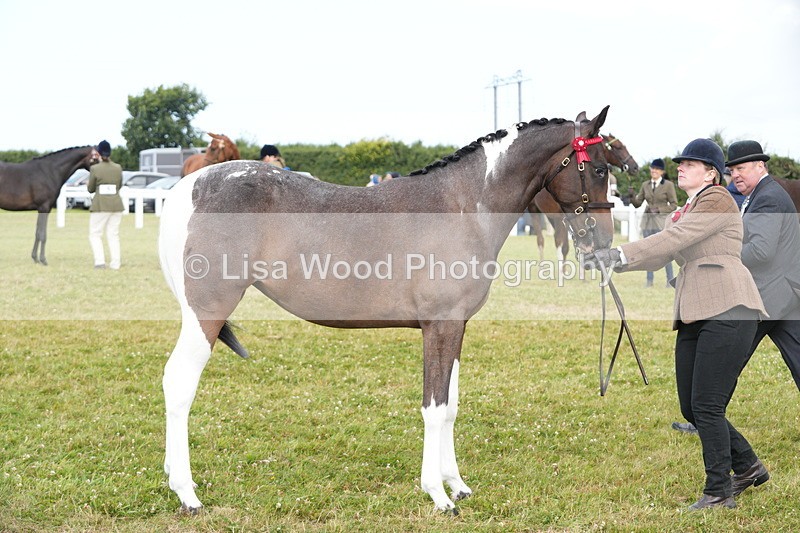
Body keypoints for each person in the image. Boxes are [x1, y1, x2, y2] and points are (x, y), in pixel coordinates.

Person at [586, 139, 768, 511]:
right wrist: (611, 260)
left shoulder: (717, 199)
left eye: (690, 163)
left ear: (711, 172)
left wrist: (620, 252)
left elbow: (676, 239)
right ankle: (748, 466)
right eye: (681, 163)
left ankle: (719, 490)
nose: (681, 167)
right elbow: (663, 252)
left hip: (729, 306)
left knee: (707, 405)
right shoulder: (688, 207)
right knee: (691, 407)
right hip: (696, 309)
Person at [628, 158, 678, 287]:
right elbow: (637, 204)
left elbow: (673, 205)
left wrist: (659, 210)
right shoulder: (645, 185)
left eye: (657, 169)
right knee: (648, 253)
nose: (654, 171)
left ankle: (669, 280)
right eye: (653, 168)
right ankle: (649, 281)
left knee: (666, 252)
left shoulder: (668, 185)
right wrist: (632, 196)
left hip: (661, 222)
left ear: (662, 172)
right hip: (647, 222)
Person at [87, 140, 124, 270]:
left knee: (95, 234)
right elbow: (119, 186)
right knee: (113, 234)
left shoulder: (95, 168)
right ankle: (116, 263)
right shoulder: (118, 168)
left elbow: (90, 189)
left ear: (99, 153)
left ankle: (100, 262)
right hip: (116, 205)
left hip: (100, 206)